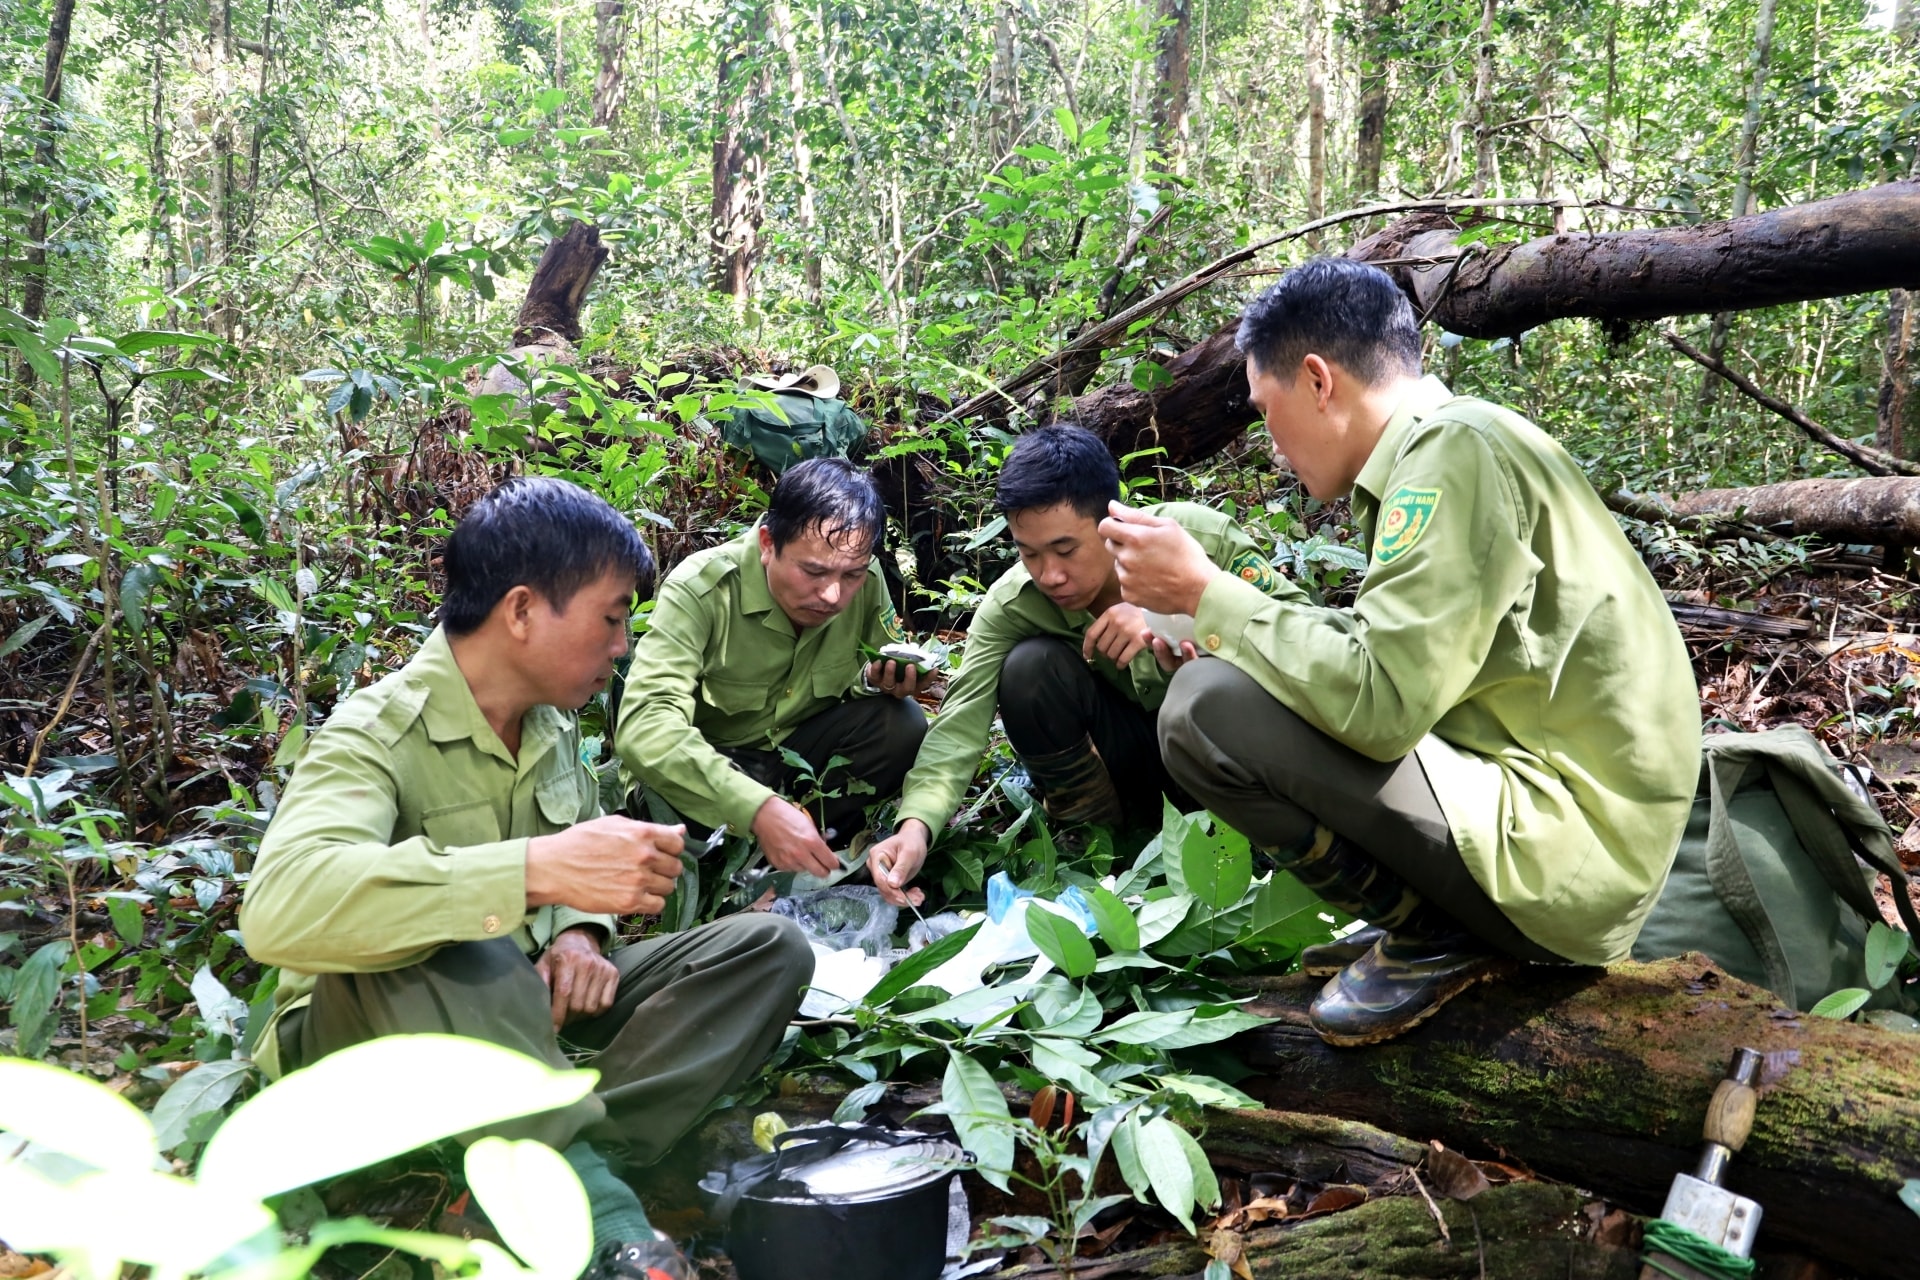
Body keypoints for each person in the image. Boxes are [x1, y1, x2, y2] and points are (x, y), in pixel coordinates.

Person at [1099, 258, 1701, 1046]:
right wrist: (1208, 622)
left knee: (1203, 712)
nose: (1270, 442)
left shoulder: (1452, 454)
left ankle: (1439, 933)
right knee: (1225, 679)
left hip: (1570, 852)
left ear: (1318, 381)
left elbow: (1381, 704)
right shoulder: (1448, 445)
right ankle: (1433, 923)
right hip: (1561, 817)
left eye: (1264, 410)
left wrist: (1209, 596)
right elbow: (1386, 660)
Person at [240, 476, 814, 1278]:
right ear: (519, 611)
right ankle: (596, 1218)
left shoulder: (550, 725)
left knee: (770, 949)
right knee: (469, 945)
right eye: (611, 618)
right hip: (364, 1044)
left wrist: (581, 931)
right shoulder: (372, 734)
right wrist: (529, 874)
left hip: (515, 1021)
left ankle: (531, 1168)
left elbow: (566, 886)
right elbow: (277, 915)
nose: (621, 645)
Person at [867, 424, 1288, 907]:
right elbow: (960, 724)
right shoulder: (1014, 604)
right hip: (1131, 767)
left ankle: (1262, 841)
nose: (1051, 575)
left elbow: (1299, 642)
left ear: (1110, 524)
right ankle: (1099, 852)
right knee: (1028, 669)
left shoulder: (1200, 543)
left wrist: (1171, 617)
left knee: (1205, 680)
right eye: (1029, 554)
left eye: (1066, 550)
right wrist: (916, 826)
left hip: (1231, 762)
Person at [615, 458, 926, 880]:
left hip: (796, 755)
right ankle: (731, 872)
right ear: (767, 543)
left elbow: (858, 678)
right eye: (813, 571)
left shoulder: (865, 578)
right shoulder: (702, 590)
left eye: (851, 574)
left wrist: (876, 682)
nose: (833, 595)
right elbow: (644, 727)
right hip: (713, 767)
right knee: (671, 811)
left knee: (900, 722)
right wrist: (757, 808)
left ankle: (812, 852)